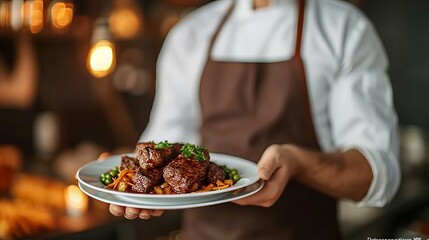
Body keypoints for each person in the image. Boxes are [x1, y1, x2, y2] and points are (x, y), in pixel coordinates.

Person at [109, 0, 400, 239]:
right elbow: (164, 146)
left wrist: (298, 162)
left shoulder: (343, 28)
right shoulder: (190, 34)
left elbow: (377, 176)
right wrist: (136, 187)